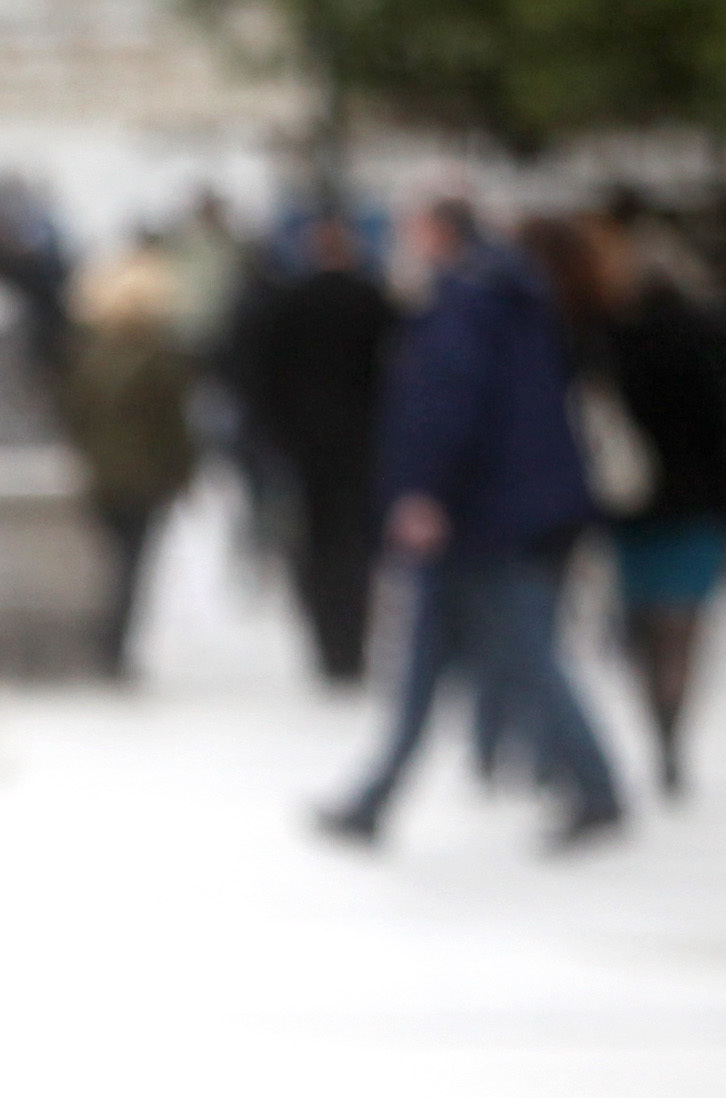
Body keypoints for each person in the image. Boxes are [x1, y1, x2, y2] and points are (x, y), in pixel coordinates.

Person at [323, 198, 624, 852]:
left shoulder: (465, 307)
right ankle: (375, 796)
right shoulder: (510, 302)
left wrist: (423, 492)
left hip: (482, 519)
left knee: (524, 657)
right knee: (431, 661)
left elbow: (445, 407)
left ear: (438, 234)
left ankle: (596, 789)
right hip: (501, 513)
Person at [578, 201, 726, 799]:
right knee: (683, 631)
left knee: (645, 628)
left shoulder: (610, 342)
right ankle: (672, 736)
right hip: (699, 506)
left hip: (634, 505)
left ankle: (658, 728)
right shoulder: (714, 338)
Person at [242, 208, 393, 686]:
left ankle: (328, 644)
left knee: (313, 548)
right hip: (361, 446)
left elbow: (260, 379)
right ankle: (351, 642)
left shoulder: (287, 302)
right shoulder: (373, 301)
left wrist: (278, 435)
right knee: (353, 548)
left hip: (306, 448)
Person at [60, 248, 197, 682]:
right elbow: (172, 424)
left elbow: (74, 415)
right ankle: (116, 649)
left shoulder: (90, 353)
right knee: (132, 567)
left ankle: (109, 646)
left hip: (103, 474)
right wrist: (183, 473)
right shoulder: (157, 356)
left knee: (114, 563)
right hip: (145, 476)